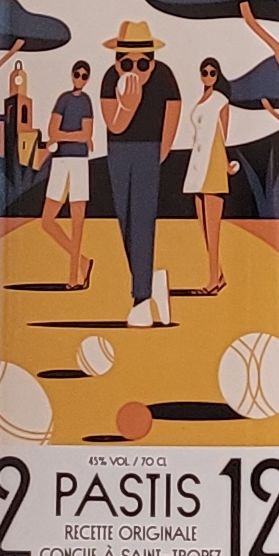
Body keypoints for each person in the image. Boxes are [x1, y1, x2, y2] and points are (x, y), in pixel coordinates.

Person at [97, 18, 184, 327]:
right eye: (127, 63)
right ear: (117, 62)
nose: (135, 69)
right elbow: (115, 125)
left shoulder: (164, 77)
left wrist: (162, 151)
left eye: (143, 63)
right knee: (125, 219)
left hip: (149, 150)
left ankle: (142, 299)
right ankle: (150, 282)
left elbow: (173, 110)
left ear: (153, 61)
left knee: (142, 221)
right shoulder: (110, 79)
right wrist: (128, 105)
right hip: (119, 150)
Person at [38, 60, 101, 288]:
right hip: (60, 161)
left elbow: (86, 134)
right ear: (72, 74)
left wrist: (63, 136)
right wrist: (75, 136)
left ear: (88, 78)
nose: (80, 78)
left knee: (77, 222)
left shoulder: (86, 101)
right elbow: (52, 131)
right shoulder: (63, 99)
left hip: (79, 163)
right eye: (77, 74)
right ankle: (83, 261)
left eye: (84, 75)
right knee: (47, 221)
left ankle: (74, 277)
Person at [185, 55, 235, 292]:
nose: (207, 76)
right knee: (203, 224)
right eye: (204, 72)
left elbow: (223, 135)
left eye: (212, 72)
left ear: (218, 75)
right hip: (197, 162)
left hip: (212, 161)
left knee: (213, 228)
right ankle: (218, 274)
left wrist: (225, 164)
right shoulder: (202, 99)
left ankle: (213, 281)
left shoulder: (220, 100)